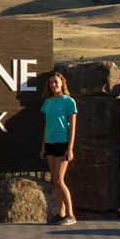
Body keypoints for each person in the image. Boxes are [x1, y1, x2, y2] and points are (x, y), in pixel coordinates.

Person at [40, 71, 78, 225]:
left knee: (59, 180)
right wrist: (43, 147)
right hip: (50, 143)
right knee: (54, 181)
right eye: (51, 83)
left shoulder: (69, 102)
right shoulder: (47, 103)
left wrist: (70, 148)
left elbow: (73, 127)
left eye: (56, 82)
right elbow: (46, 126)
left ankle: (71, 215)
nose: (53, 85)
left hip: (63, 143)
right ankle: (60, 213)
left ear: (62, 83)